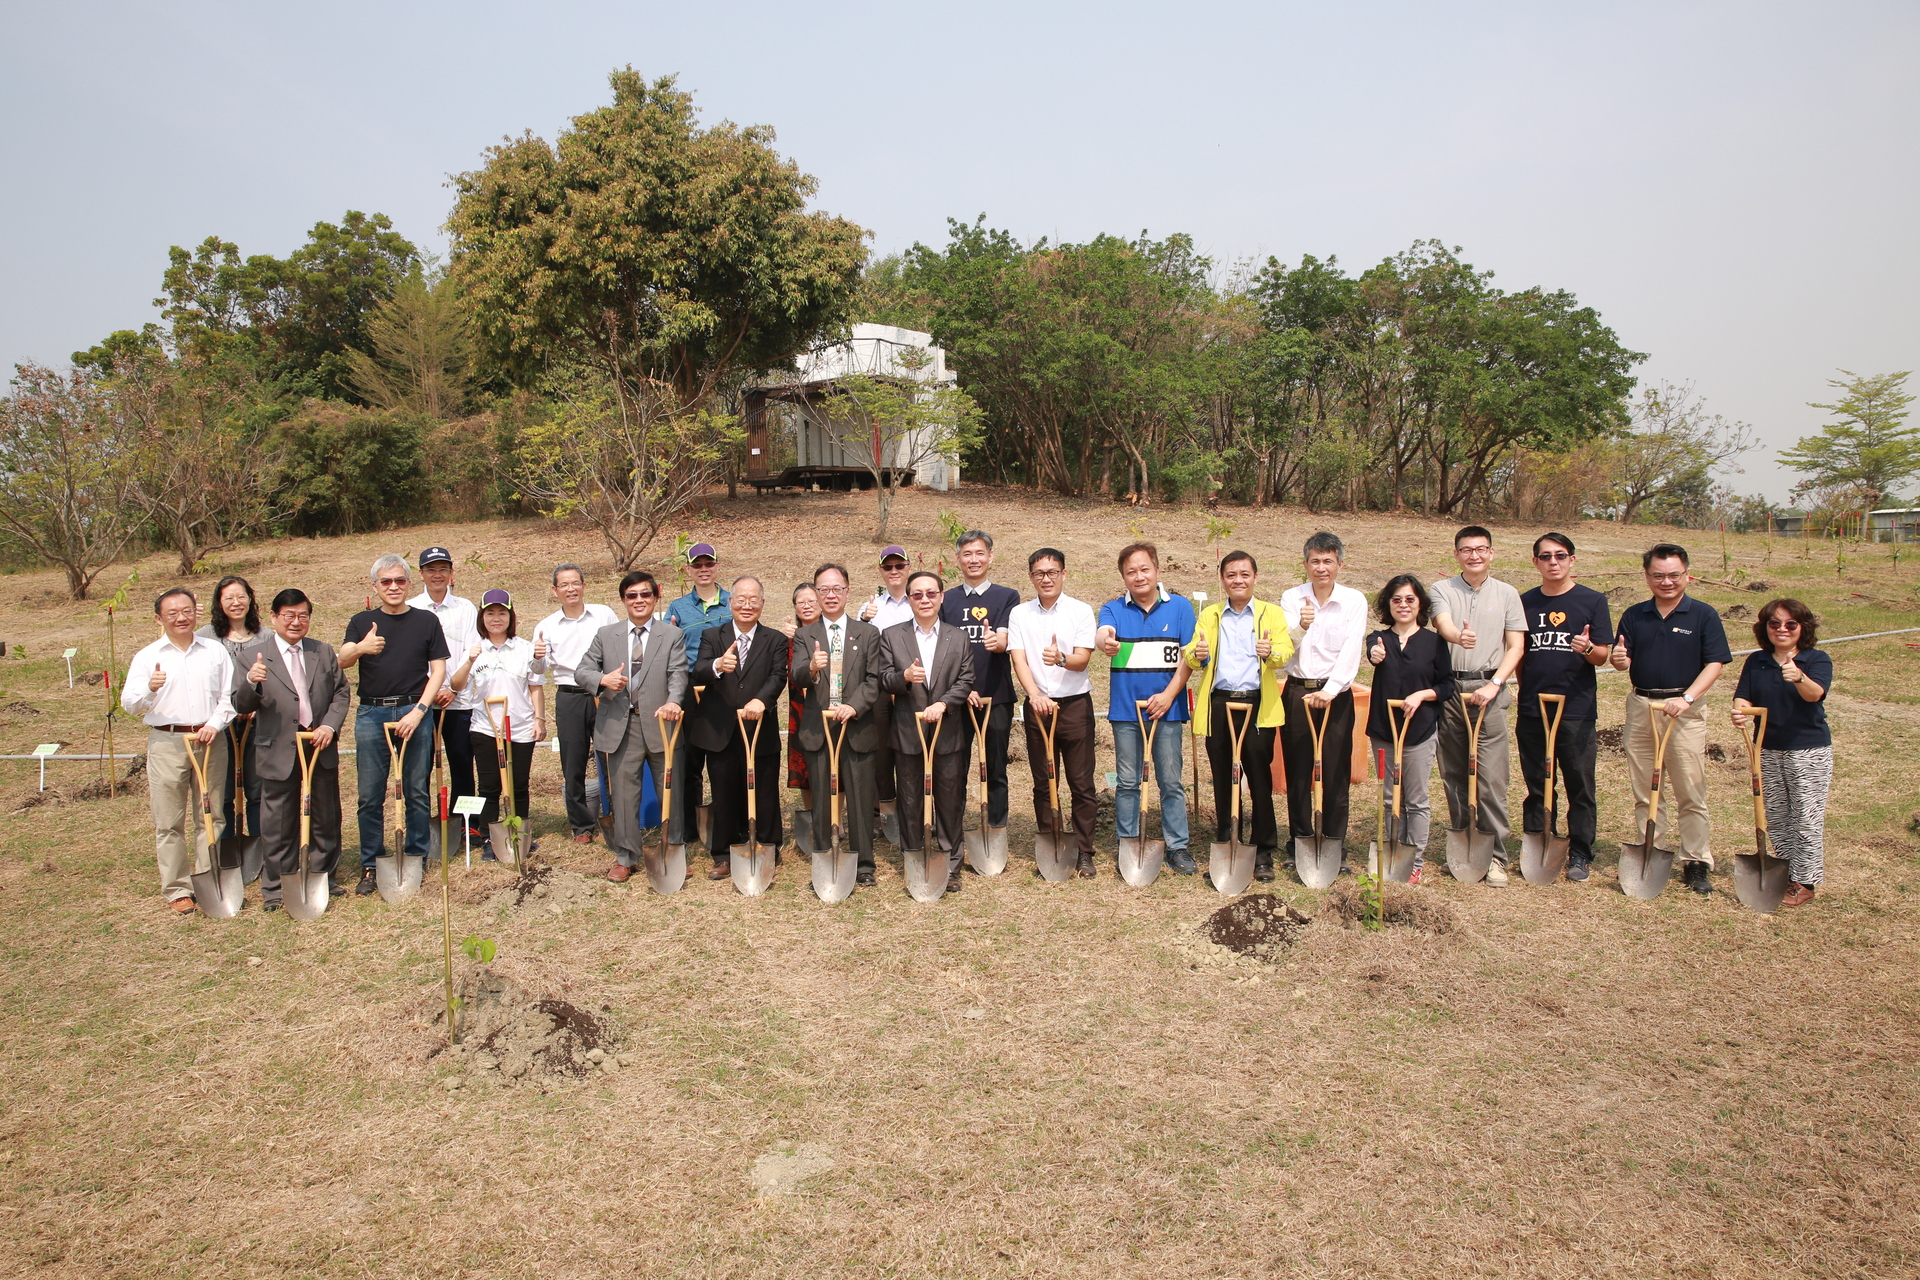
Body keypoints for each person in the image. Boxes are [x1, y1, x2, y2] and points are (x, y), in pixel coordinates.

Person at [1610, 542, 1732, 896]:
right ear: (1647, 577)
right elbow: (1623, 661)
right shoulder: (1634, 615)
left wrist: (1688, 697)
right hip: (1642, 707)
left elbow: (1716, 663)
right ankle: (1652, 850)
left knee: (1690, 789)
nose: (1666, 582)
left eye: (1674, 575)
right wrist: (1619, 660)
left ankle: (1696, 860)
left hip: (1685, 710)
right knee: (1646, 789)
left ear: (1687, 575)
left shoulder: (1703, 615)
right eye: (1658, 575)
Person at [230, 590, 350, 908]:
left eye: (303, 616)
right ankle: (277, 887)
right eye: (289, 615)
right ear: (274, 617)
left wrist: (329, 726)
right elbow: (239, 704)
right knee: (278, 821)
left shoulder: (322, 652)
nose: (296, 622)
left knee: (326, 815)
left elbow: (341, 692)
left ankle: (323, 876)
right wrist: (251, 682)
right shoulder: (251, 657)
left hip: (318, 742)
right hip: (277, 747)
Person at [339, 555, 449, 896]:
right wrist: (361, 648)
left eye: (400, 580)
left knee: (417, 789)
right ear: (375, 586)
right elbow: (340, 661)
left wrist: (419, 710)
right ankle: (371, 863)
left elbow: (439, 671)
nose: (393, 587)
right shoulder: (361, 622)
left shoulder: (426, 621)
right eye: (386, 582)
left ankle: (417, 855)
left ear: (409, 583)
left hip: (414, 711)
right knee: (370, 795)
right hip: (372, 715)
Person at [122, 588, 236, 914]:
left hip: (210, 738)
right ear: (159, 619)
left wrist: (215, 724)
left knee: (211, 814)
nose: (181, 618)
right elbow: (130, 703)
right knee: (169, 820)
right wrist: (149, 687)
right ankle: (177, 890)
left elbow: (228, 696)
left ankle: (207, 878)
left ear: (195, 613)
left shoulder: (214, 651)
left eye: (186, 611)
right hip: (167, 743)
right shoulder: (147, 657)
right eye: (172, 613)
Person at [1184, 550, 1294, 881]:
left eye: (1244, 574)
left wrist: (1270, 653)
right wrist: (1197, 655)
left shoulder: (1271, 614)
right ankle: (1226, 841)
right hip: (1219, 704)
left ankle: (1263, 851)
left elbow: (1285, 652)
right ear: (1223, 580)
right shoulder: (1211, 615)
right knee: (1222, 777)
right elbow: (1192, 655)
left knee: (1259, 778)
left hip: (1256, 705)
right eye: (1231, 575)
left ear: (1255, 578)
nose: (1238, 580)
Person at [1429, 525, 1527, 886]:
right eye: (1466, 550)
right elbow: (1442, 624)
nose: (1474, 555)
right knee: (1453, 772)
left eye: (1481, 549)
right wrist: (1458, 636)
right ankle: (1462, 843)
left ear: (1491, 553)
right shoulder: (1441, 589)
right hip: (1451, 689)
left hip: (1492, 688)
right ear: (1456, 554)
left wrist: (1496, 683)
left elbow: (1515, 646)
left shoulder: (1507, 594)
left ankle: (1496, 854)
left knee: (1491, 777)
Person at [575, 572, 687, 882]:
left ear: (656, 597)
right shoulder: (606, 634)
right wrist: (602, 680)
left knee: (671, 792)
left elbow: (678, 673)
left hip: (662, 724)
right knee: (624, 795)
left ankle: (673, 850)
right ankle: (626, 855)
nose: (639, 601)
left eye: (645, 595)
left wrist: (675, 701)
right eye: (632, 596)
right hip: (619, 726)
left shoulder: (671, 635)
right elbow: (582, 670)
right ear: (624, 600)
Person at [1516, 532, 1613, 882]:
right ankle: (1539, 841)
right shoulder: (1524, 602)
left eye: (1560, 556)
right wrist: (1527, 692)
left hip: (1577, 708)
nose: (1553, 562)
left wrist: (1587, 649)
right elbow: (1519, 653)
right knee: (1537, 782)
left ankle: (1581, 852)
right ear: (1536, 562)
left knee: (1579, 782)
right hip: (1533, 708)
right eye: (1545, 556)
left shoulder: (1592, 601)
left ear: (1572, 560)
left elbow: (1602, 656)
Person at [1096, 543, 1196, 872]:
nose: (1138, 576)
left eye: (1144, 569)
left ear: (1156, 570)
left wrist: (1168, 696)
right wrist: (1105, 641)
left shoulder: (1180, 608)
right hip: (1127, 711)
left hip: (1167, 710)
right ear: (1123, 576)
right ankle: (1128, 841)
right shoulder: (1112, 609)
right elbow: (1103, 634)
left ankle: (1177, 846)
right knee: (1127, 781)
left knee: (1170, 781)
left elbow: (1188, 658)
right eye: (1130, 572)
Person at [1732, 599, 1832, 908]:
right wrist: (1739, 712)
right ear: (1765, 628)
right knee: (1776, 816)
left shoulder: (1816, 659)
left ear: (1803, 628)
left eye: (1790, 624)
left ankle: (1806, 882)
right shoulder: (1757, 661)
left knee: (1806, 816)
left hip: (1808, 749)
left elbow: (1816, 695)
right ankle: (1788, 872)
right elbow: (1743, 697)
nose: (1782, 630)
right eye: (1774, 624)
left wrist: (1799, 676)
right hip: (1768, 748)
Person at [879, 570, 975, 893]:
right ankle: (914, 858)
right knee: (910, 800)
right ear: (908, 599)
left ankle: (950, 864)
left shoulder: (957, 637)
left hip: (947, 732)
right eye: (917, 594)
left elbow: (965, 680)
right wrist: (904, 676)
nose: (925, 600)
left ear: (941, 597)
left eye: (931, 593)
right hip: (908, 731)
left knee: (949, 798)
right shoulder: (892, 636)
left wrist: (945, 704)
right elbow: (884, 679)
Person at [1008, 548, 1100, 876]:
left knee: (1081, 782)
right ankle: (1051, 842)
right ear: (1031, 577)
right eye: (1039, 573)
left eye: (1052, 572)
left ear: (1063, 574)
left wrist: (1060, 658)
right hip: (1037, 706)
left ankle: (1085, 851)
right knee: (1043, 781)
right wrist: (1033, 695)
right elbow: (1018, 659)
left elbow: (1082, 659)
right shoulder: (1020, 614)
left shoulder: (1080, 611)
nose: (1046, 578)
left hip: (1074, 706)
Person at [790, 564, 884, 884]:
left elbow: (874, 680)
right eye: (824, 590)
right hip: (818, 727)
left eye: (837, 589)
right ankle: (824, 857)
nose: (830, 595)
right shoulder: (805, 634)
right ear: (816, 594)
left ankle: (863, 865)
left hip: (856, 726)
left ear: (847, 591)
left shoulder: (868, 632)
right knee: (821, 798)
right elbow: (796, 675)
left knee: (859, 798)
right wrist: (812, 669)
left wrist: (853, 706)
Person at [1278, 532, 1367, 865]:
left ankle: (1334, 845)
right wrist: (1300, 626)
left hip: (1337, 693)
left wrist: (1330, 691)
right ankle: (1299, 841)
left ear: (1340, 564)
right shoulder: (1291, 597)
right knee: (1298, 770)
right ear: (1305, 565)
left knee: (1335, 771)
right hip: (1299, 690)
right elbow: (1284, 647)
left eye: (1328, 561)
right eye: (1314, 561)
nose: (1321, 567)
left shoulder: (1354, 600)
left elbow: (1351, 649)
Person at [691, 577, 787, 878]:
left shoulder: (775, 640)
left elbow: (778, 676)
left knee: (765, 788)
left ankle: (768, 844)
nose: (747, 605)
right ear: (730, 602)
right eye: (741, 599)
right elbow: (699, 671)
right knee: (724, 789)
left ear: (762, 603)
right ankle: (724, 853)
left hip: (760, 726)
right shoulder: (712, 635)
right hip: (720, 728)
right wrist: (718, 665)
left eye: (753, 599)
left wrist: (762, 700)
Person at [1363, 577, 1454, 881]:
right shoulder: (1378, 639)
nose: (1403, 605)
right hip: (1383, 729)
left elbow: (1447, 685)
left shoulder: (1434, 642)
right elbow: (1372, 654)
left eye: (1410, 599)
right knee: (1389, 798)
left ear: (1420, 605)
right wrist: (1374, 655)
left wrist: (1421, 695)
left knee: (1415, 799)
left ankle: (1414, 859)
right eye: (1397, 600)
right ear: (1388, 605)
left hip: (1419, 730)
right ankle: (1392, 851)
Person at [452, 590, 546, 859]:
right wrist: (469, 660)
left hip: (520, 726)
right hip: (485, 727)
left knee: (519, 784)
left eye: (502, 612)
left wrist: (539, 720)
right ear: (482, 617)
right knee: (490, 785)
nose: (496, 618)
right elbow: (456, 685)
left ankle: (521, 835)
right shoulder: (475, 649)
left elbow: (536, 683)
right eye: (490, 613)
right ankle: (488, 839)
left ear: (510, 616)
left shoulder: (524, 648)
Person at [942, 531, 1021, 851]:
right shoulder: (946, 599)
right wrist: (961, 690)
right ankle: (952, 828)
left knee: (996, 765)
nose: (973, 560)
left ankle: (996, 827)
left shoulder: (1007, 596)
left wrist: (997, 642)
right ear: (958, 559)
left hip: (996, 695)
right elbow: (943, 650)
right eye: (967, 554)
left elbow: (1005, 638)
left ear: (990, 557)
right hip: (957, 700)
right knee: (954, 767)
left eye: (979, 553)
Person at [532, 563, 618, 844]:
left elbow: (619, 646)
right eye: (564, 585)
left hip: (605, 694)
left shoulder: (603, 614)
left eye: (575, 583)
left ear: (583, 585)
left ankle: (617, 815)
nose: (571, 589)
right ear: (555, 590)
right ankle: (581, 825)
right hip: (570, 695)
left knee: (611, 757)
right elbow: (537, 670)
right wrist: (537, 656)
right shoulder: (546, 626)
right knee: (573, 761)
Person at [410, 547, 482, 846]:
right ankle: (422, 828)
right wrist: (432, 690)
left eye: (442, 569)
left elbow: (472, 651)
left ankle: (467, 826)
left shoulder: (465, 608)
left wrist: (452, 688)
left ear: (451, 573)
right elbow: (410, 656)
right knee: (421, 767)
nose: (437, 575)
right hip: (422, 701)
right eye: (431, 569)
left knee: (462, 763)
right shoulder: (411, 608)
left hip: (458, 699)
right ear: (421, 574)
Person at [198, 576, 263, 895]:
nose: (236, 603)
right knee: (222, 792)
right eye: (228, 598)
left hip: (258, 722)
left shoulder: (265, 636)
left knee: (257, 788)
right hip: (220, 725)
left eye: (242, 596)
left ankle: (260, 850)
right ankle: (225, 853)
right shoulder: (205, 637)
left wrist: (253, 703)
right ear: (219, 603)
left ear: (250, 600)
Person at [665, 542, 731, 848]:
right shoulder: (678, 608)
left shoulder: (733, 602)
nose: (704, 569)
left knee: (726, 760)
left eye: (709, 563)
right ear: (688, 569)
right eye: (697, 565)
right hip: (693, 688)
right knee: (690, 761)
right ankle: (691, 827)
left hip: (728, 688)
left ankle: (729, 822)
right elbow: (668, 647)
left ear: (717, 566)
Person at [859, 546, 913, 838]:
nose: (894, 571)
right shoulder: (870, 608)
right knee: (880, 751)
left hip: (912, 686)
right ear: (880, 570)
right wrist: (865, 621)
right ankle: (882, 810)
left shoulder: (919, 600)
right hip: (880, 687)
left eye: (899, 565)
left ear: (908, 567)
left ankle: (911, 808)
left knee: (908, 748)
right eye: (888, 567)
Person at [779, 583, 823, 812]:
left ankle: (835, 817)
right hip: (800, 709)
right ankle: (812, 813)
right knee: (803, 761)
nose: (806, 606)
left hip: (828, 705)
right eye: (801, 602)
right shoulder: (788, 639)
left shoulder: (832, 633)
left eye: (811, 601)